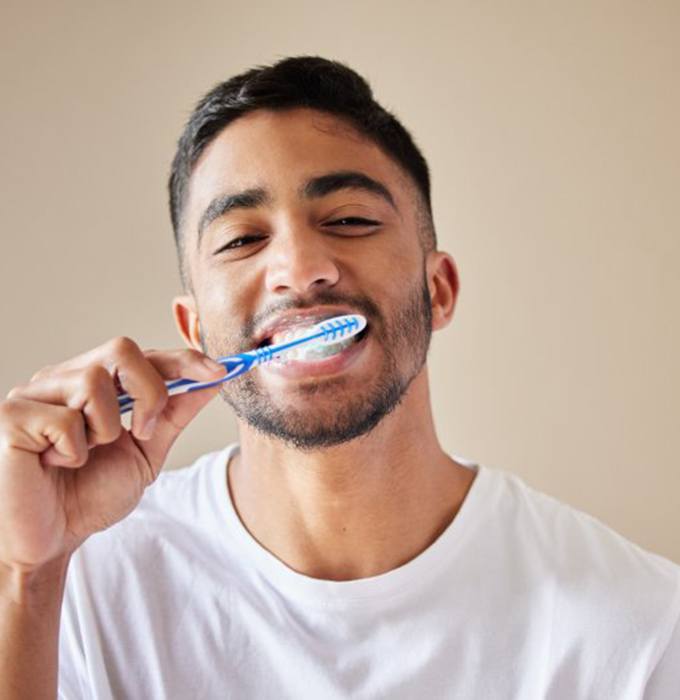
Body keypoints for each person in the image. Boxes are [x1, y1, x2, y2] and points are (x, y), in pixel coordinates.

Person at [0, 56, 678, 700]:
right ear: (194, 329)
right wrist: (27, 577)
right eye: (241, 239)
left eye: (349, 220)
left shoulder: (640, 631)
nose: (300, 267)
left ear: (437, 290)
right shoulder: (75, 585)